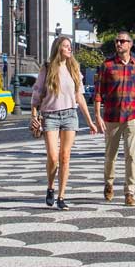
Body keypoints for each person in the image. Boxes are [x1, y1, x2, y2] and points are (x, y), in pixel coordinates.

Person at [33, 35, 101, 209]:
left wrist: (90, 121)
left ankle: (61, 197)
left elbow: (79, 97)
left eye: (70, 46)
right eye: (66, 46)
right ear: (58, 49)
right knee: (53, 157)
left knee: (65, 156)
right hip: (50, 116)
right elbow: (37, 94)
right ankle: (50, 187)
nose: (70, 49)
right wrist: (34, 116)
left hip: (70, 115)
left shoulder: (74, 69)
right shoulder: (47, 69)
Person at [96, 33, 135, 206]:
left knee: (131, 155)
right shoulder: (107, 66)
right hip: (112, 117)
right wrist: (97, 116)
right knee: (111, 155)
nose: (118, 43)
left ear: (130, 44)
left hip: (132, 116)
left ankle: (129, 192)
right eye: (117, 41)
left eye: (122, 41)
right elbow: (98, 92)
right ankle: (109, 183)